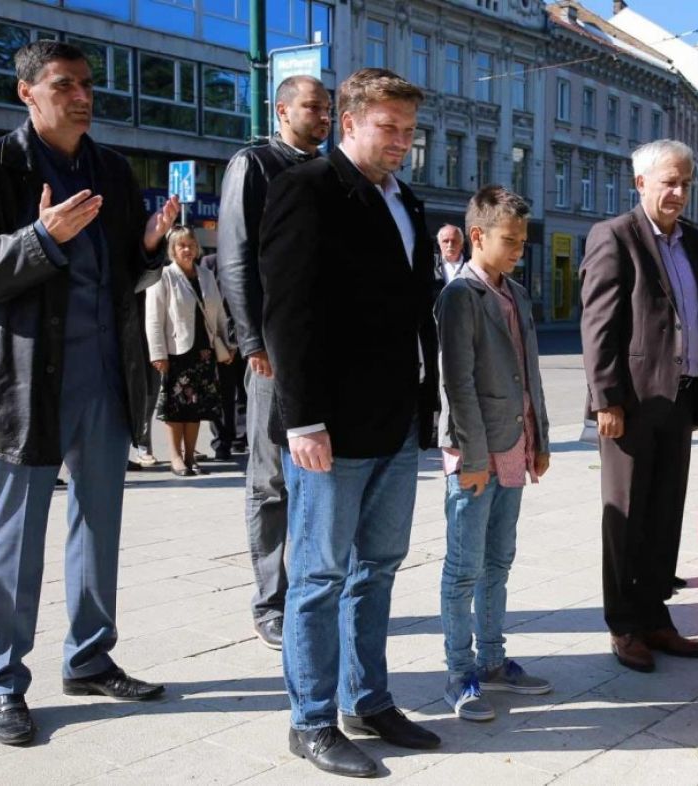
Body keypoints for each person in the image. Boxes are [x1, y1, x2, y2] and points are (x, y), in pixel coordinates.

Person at [0, 40, 179, 747]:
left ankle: (90, 658)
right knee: (15, 543)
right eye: (64, 84)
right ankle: (5, 681)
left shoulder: (109, 168)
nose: (81, 96)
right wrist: (41, 237)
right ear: (27, 94)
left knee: (99, 527)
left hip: (106, 374)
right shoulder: (3, 165)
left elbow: (127, 272)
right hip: (28, 381)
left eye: (86, 85)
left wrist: (151, 248)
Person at [260, 67, 441, 777]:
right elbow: (288, 312)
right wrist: (302, 420)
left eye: (408, 130)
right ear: (349, 124)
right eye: (387, 128)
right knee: (318, 574)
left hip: (394, 421)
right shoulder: (307, 189)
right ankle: (310, 720)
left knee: (379, 569)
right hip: (328, 429)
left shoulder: (408, 201)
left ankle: (368, 699)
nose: (400, 141)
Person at [580, 139, 698, 674]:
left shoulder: (694, 242)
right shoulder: (614, 236)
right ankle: (624, 624)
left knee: (664, 515)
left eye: (685, 182)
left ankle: (656, 614)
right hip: (632, 405)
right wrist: (606, 400)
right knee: (627, 517)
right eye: (669, 182)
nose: (679, 192)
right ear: (641, 184)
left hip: (679, 398)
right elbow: (599, 325)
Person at [217, 74, 331, 650]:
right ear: (282, 110)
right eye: (313, 106)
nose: (324, 116)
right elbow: (234, 255)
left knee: (319, 478)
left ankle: (311, 590)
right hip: (273, 351)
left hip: (323, 352)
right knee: (270, 482)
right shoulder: (256, 165)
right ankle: (269, 600)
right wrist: (253, 341)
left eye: (329, 107)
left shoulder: (332, 171)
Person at [436, 186, 552, 722]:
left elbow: (530, 375)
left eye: (523, 242)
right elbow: (457, 384)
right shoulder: (461, 296)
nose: (518, 251)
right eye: (510, 241)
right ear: (477, 236)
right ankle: (460, 674)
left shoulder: (517, 294)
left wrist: (541, 440)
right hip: (476, 455)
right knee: (464, 569)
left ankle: (494, 661)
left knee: (498, 562)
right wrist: (475, 458)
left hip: (514, 449)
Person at [146, 228, 235, 476]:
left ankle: (190, 456)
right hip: (176, 351)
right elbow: (154, 318)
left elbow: (217, 313)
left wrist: (226, 344)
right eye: (181, 245)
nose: (187, 249)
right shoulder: (164, 276)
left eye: (191, 245)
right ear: (172, 250)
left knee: (196, 407)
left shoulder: (206, 275)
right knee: (176, 407)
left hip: (203, 351)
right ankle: (175, 456)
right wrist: (158, 353)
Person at [200, 252, 244, 462]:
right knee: (223, 393)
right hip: (220, 336)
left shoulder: (248, 255)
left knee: (244, 391)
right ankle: (222, 442)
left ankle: (241, 437)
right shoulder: (210, 263)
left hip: (247, 335)